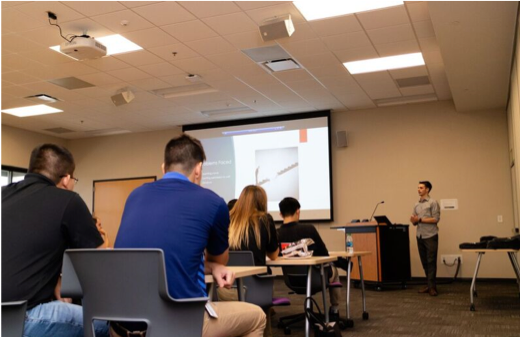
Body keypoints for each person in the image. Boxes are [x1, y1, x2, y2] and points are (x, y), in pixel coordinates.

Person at [114, 134, 266, 337]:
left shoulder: (135, 195)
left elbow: (171, 258)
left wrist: (212, 266)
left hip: (120, 326)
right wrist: (216, 264)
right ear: (198, 169)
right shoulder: (213, 202)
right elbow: (219, 258)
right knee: (257, 317)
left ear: (163, 167)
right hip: (177, 327)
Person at [1, 144, 109, 337]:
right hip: (21, 318)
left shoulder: (4, 194)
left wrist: (58, 278)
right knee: (106, 322)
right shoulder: (68, 200)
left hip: (10, 314)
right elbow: (101, 259)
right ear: (66, 179)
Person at [277, 197, 342, 319]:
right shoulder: (308, 229)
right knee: (334, 269)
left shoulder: (276, 233)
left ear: (280, 214)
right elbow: (324, 254)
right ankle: (334, 309)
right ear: (298, 211)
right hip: (315, 280)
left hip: (291, 281)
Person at [229, 185, 279, 267]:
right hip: (256, 277)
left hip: (230, 277)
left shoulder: (228, 219)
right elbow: (273, 256)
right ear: (262, 202)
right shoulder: (265, 219)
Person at [410, 181, 441, 296]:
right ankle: (429, 285)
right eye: (418, 187)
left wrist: (420, 220)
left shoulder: (433, 203)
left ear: (427, 189)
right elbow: (414, 219)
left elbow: (436, 219)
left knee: (431, 261)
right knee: (424, 262)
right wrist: (413, 220)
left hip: (431, 236)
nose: (419, 189)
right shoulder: (416, 204)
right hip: (420, 236)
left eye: (421, 188)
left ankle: (432, 287)